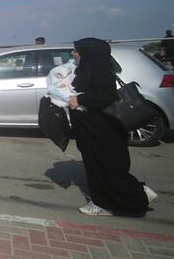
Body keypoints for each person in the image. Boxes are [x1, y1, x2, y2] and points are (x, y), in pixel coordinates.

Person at [67, 38, 156, 216]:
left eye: (76, 50)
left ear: (89, 53)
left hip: (101, 129)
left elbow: (105, 95)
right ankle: (135, 191)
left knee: (104, 168)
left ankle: (109, 203)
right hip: (95, 128)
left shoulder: (97, 69)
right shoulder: (89, 68)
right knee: (106, 167)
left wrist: (80, 99)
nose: (73, 53)